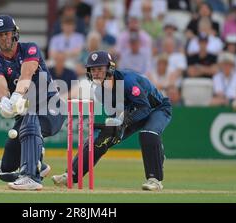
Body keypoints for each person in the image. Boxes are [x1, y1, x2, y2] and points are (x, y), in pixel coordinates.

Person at [52, 51, 172, 191]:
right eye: (93, 69)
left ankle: (155, 180)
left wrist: (125, 121)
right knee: (102, 138)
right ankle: (71, 175)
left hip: (156, 108)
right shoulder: (98, 90)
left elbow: (144, 107)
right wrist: (114, 126)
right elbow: (115, 113)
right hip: (131, 112)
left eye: (99, 69)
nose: (96, 73)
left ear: (110, 68)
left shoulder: (127, 81)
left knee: (148, 134)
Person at [0, 15, 65, 190]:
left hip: (51, 108)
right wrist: (5, 100)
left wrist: (17, 96)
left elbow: (26, 74)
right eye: (0, 35)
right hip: (26, 115)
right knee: (6, 167)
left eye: (7, 33)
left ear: (14, 33)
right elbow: (0, 84)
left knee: (31, 121)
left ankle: (32, 177)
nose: (5, 38)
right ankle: (38, 163)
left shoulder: (30, 49)